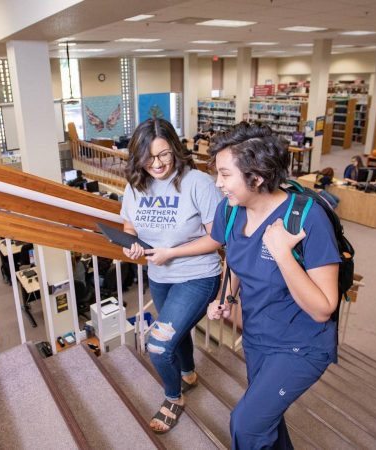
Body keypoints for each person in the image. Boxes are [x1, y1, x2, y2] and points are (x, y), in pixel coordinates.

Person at [205, 123, 340, 449]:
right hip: (257, 337)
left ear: (256, 177)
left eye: (225, 174)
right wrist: (226, 296)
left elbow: (323, 309)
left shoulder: (307, 218)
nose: (218, 183)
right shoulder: (229, 211)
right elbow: (234, 259)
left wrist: (282, 253)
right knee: (267, 422)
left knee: (246, 425)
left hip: (302, 345)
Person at [120, 118, 222, 434]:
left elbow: (217, 239)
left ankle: (173, 398)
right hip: (160, 277)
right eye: (148, 157)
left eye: (164, 154)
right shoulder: (135, 186)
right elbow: (129, 226)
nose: (157, 164)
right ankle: (188, 373)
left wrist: (171, 253)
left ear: (175, 149)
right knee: (176, 333)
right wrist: (130, 244)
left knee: (159, 345)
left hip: (198, 276)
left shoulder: (198, 183)